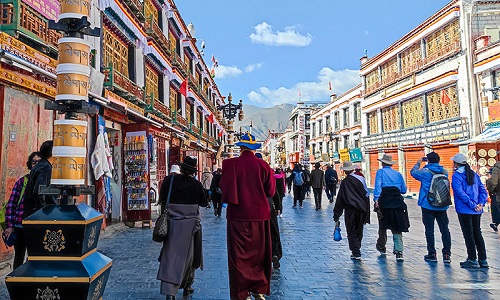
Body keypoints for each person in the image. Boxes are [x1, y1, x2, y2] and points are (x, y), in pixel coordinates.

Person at [220, 133, 275, 300]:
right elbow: (271, 191)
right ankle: (258, 289)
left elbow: (225, 188)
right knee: (259, 254)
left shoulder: (230, 164)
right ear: (253, 149)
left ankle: (241, 293)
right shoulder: (263, 166)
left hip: (237, 215)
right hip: (259, 215)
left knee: (238, 256)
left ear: (241, 147)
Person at [157, 156, 208, 299]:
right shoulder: (196, 185)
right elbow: (203, 203)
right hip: (190, 227)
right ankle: (187, 285)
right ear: (192, 171)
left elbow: (162, 198)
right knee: (190, 257)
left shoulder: (169, 181)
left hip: (172, 224)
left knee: (170, 255)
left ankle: (169, 290)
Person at [410, 152, 452, 263]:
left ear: (428, 160)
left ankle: (432, 253)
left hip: (427, 205)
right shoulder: (445, 172)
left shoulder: (425, 172)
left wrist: (419, 162)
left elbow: (413, 172)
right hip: (442, 206)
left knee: (429, 230)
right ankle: (447, 254)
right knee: (445, 230)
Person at [450, 153, 489, 268]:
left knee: (468, 234)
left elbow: (460, 193)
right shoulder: (474, 174)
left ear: (456, 163)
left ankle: (472, 258)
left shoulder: (457, 176)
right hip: (477, 210)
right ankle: (483, 259)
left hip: (465, 209)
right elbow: (483, 191)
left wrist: (472, 205)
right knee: (477, 233)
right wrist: (480, 204)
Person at [4, 152, 41, 269]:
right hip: (20, 226)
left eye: (39, 162)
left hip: (36, 227)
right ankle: (16, 283)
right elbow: (11, 204)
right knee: (19, 257)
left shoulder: (45, 182)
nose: (36, 164)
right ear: (30, 164)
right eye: (34, 162)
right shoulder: (22, 182)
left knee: (34, 257)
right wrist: (9, 225)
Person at [373, 154, 409, 262]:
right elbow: (403, 190)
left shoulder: (380, 172)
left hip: (384, 202)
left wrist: (376, 200)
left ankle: (381, 246)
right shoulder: (398, 174)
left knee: (383, 226)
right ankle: (399, 251)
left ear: (383, 163)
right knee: (397, 227)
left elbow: (378, 188)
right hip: (397, 202)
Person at [333, 161, 370, 260]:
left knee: (351, 230)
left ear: (345, 171)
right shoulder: (361, 179)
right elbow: (366, 194)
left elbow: (340, 198)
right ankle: (357, 247)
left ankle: (356, 251)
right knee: (359, 229)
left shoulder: (345, 182)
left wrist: (337, 214)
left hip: (350, 210)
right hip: (361, 208)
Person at [24, 140, 55, 218]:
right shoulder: (45, 168)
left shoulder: (41, 166)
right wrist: (44, 212)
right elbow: (39, 192)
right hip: (38, 214)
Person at [487, 154, 500, 231]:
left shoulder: (497, 167)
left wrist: (490, 189)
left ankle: (496, 222)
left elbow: (493, 182)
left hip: (498, 194)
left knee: (495, 206)